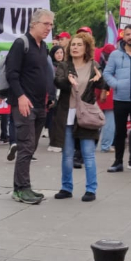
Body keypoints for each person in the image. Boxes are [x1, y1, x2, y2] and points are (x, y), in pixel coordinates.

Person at [5, 8, 55, 205]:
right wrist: (21, 97)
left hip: (40, 104)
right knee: (26, 146)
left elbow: (45, 73)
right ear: (33, 24)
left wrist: (50, 95)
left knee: (30, 147)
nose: (49, 28)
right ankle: (22, 189)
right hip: (24, 105)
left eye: (51, 25)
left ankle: (22, 186)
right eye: (46, 24)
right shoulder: (21, 44)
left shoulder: (43, 46)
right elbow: (12, 73)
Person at [52, 32, 105, 201]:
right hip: (67, 114)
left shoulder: (93, 65)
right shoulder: (64, 66)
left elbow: (104, 84)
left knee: (88, 153)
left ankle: (91, 189)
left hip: (86, 115)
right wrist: (68, 81)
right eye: (73, 44)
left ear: (86, 48)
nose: (75, 47)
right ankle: (66, 188)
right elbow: (58, 81)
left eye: (79, 45)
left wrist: (99, 79)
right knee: (67, 154)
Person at [103, 23, 131, 172]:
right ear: (123, 35)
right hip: (120, 98)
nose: (130, 37)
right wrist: (116, 84)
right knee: (120, 132)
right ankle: (118, 162)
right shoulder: (115, 54)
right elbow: (107, 73)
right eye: (128, 34)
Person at [46, 43, 67, 151]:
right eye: (57, 53)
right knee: (52, 120)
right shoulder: (51, 66)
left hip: (63, 96)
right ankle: (53, 142)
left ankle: (59, 142)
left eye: (61, 53)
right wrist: (51, 97)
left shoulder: (65, 65)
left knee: (60, 120)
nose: (59, 55)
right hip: (53, 95)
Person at [97, 43, 116, 152]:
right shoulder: (115, 61)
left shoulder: (99, 61)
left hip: (100, 92)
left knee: (96, 121)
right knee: (110, 122)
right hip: (112, 92)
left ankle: (93, 143)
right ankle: (106, 146)